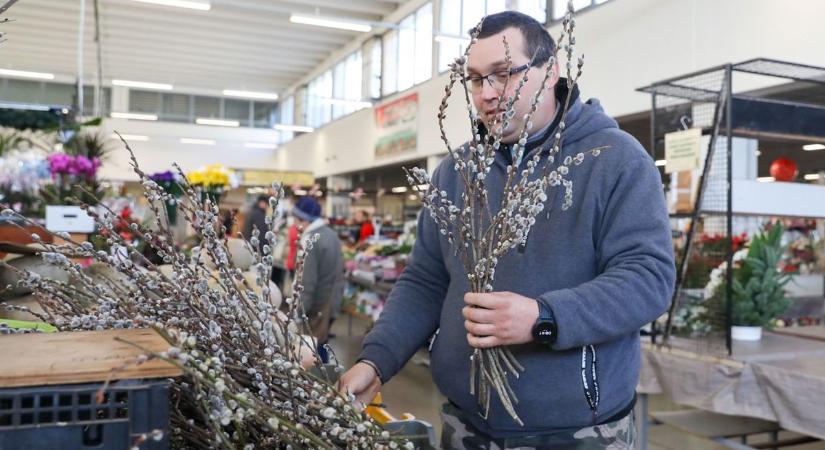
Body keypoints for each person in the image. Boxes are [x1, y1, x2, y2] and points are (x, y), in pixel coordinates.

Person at [338, 11, 675, 450]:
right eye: (476, 80)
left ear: (550, 70)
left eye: (502, 74)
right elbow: (426, 281)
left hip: (579, 432)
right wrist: (376, 360)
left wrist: (544, 318)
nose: (487, 94)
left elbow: (648, 279)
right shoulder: (457, 173)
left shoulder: (617, 161)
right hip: (465, 425)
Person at [291, 196, 345, 363]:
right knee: (322, 344)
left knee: (312, 352)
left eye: (296, 219)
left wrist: (299, 312)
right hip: (331, 300)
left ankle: (320, 385)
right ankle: (325, 383)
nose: (294, 223)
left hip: (317, 305)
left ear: (304, 220)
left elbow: (306, 282)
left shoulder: (311, 240)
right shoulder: (331, 234)